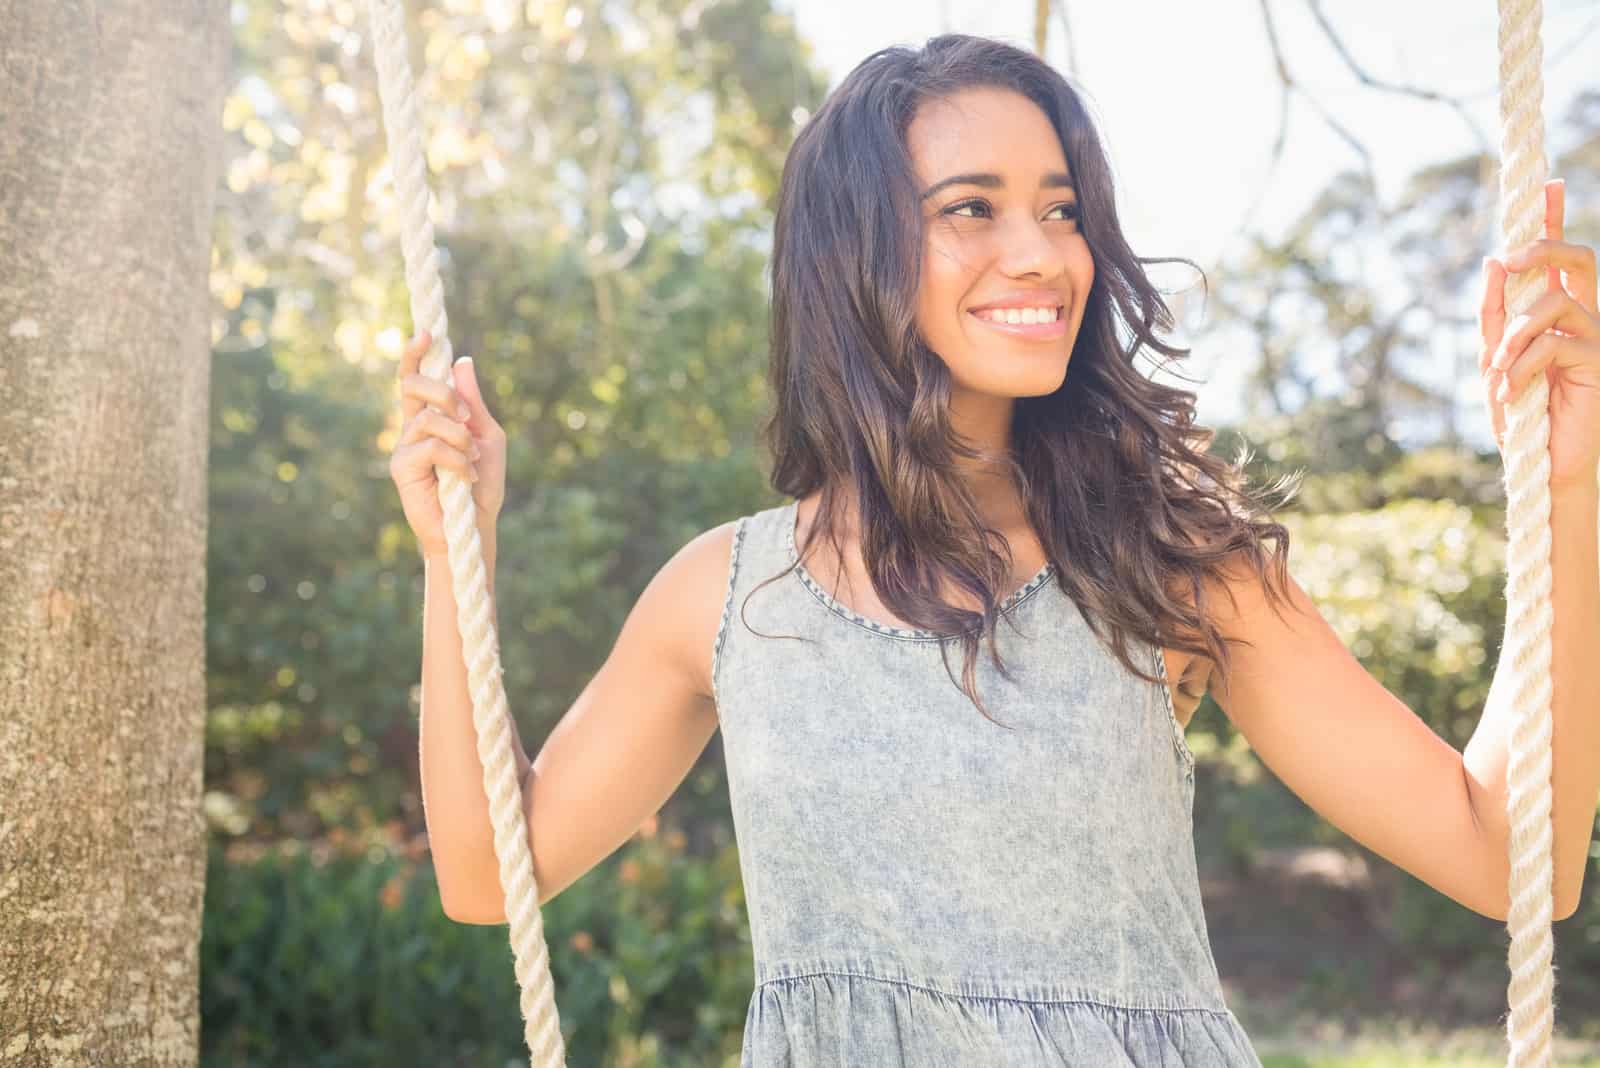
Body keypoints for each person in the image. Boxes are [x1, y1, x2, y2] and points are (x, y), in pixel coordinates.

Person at [388, 32, 1600, 1068]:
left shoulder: (1169, 561)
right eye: (971, 208)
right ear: (851, 254)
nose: (1042, 254)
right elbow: (490, 879)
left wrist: (1568, 492)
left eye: (1060, 209)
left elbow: (1508, 862)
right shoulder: (725, 596)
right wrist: (458, 557)